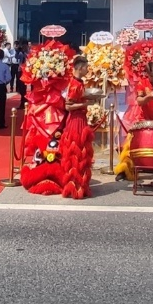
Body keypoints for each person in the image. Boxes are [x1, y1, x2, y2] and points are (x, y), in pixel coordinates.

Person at [59, 55, 95, 199]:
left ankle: (78, 184)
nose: (87, 70)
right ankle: (76, 185)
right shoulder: (75, 84)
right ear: (79, 68)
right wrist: (85, 104)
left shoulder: (78, 82)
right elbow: (68, 106)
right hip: (76, 120)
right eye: (86, 67)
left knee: (80, 152)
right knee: (77, 151)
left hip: (79, 119)